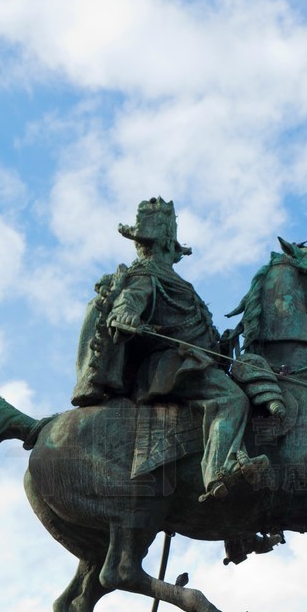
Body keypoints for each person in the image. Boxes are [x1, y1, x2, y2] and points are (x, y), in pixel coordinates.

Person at [71, 196, 272, 502]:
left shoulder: (170, 278)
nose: (177, 250)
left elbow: (192, 330)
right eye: (173, 242)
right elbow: (127, 305)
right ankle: (219, 469)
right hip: (169, 366)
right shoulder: (146, 274)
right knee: (231, 399)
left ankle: (238, 528)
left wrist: (222, 344)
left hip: (195, 361)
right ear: (166, 243)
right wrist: (125, 315)